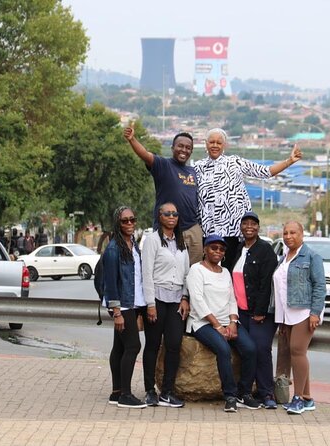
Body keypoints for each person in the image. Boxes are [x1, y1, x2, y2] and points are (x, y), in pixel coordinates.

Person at [194, 128, 302, 270]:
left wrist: (289, 161)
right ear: (206, 144)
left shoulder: (235, 162)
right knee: (207, 272)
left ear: (224, 145)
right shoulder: (197, 167)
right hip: (209, 231)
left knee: (232, 273)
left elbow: (265, 172)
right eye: (212, 142)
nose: (215, 145)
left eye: (219, 143)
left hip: (233, 231)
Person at [185, 234, 261, 413]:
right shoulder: (196, 270)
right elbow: (197, 301)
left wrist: (233, 322)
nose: (217, 251)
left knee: (250, 349)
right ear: (205, 249)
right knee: (223, 349)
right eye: (213, 248)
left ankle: (245, 393)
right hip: (203, 323)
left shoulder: (225, 272)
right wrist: (218, 326)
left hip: (228, 321)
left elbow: (231, 299)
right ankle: (230, 396)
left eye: (221, 249)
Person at [124, 123, 203, 265]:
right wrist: (132, 139)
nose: (183, 150)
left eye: (188, 147)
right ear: (173, 148)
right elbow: (145, 155)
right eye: (180, 146)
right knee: (170, 268)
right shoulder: (163, 165)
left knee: (194, 270)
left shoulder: (193, 172)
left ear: (191, 151)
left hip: (192, 228)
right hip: (168, 228)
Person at [273, 221, 326, 415]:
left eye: (293, 232)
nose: (288, 236)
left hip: (304, 311)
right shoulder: (284, 258)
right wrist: (281, 319)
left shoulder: (312, 256)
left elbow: (320, 286)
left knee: (297, 351)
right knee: (296, 353)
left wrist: (315, 313)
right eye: (285, 233)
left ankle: (298, 398)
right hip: (287, 313)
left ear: (302, 234)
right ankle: (308, 399)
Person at [141, 202, 190, 408]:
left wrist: (185, 297)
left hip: (176, 300)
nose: (172, 216)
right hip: (157, 299)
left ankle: (167, 392)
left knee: (173, 346)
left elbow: (187, 272)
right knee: (152, 345)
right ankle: (150, 390)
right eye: (167, 213)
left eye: (175, 214)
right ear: (159, 216)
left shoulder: (181, 241)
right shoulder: (152, 240)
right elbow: (146, 274)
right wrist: (150, 304)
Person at [229, 211, 279, 409]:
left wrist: (260, 311)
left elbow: (266, 282)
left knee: (261, 349)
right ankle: (247, 391)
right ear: (241, 227)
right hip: (240, 312)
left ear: (259, 227)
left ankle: (267, 393)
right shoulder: (238, 249)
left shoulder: (265, 250)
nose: (249, 227)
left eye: (253, 224)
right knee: (246, 350)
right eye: (245, 223)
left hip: (260, 313)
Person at [101, 206, 147, 409]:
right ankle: (126, 395)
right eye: (124, 221)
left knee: (119, 347)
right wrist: (117, 312)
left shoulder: (132, 244)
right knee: (133, 346)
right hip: (122, 305)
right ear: (117, 224)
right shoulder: (113, 249)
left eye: (132, 219)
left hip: (131, 302)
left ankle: (116, 392)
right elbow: (111, 283)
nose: (129, 223)